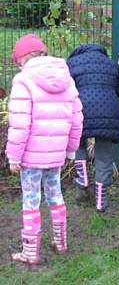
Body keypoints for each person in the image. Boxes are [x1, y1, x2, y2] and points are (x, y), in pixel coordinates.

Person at [6, 34, 83, 264]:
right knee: (55, 194)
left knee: (31, 199)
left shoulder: (23, 81)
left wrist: (14, 156)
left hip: (30, 157)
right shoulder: (66, 78)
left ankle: (30, 252)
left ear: (23, 59)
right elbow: (77, 118)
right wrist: (71, 149)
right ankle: (60, 242)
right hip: (56, 155)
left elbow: (20, 123)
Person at [67, 43, 119, 212]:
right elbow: (117, 88)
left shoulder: (71, 63)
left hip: (80, 109)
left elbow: (67, 88)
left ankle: (82, 176)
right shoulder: (111, 64)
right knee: (105, 151)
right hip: (108, 111)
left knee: (78, 142)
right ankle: (101, 197)